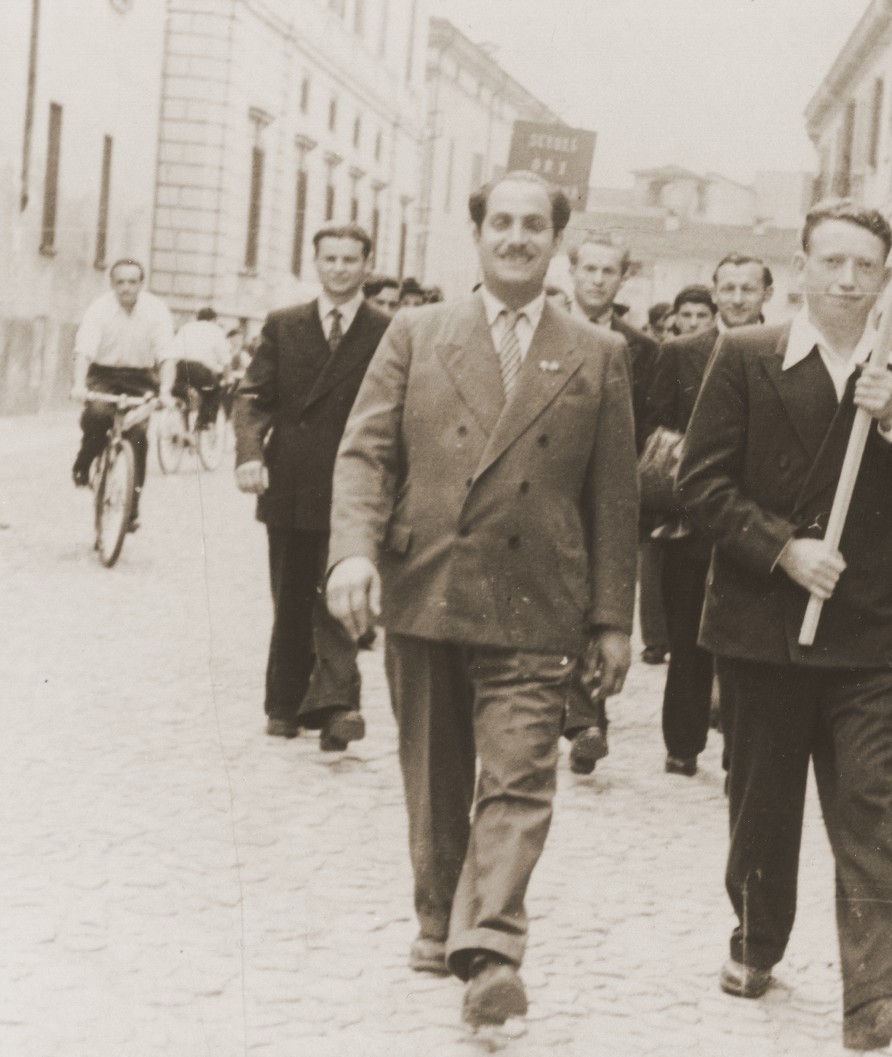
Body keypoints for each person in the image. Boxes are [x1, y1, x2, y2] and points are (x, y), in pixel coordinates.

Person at [325, 170, 637, 1029]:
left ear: (556, 240)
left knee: (521, 774)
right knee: (435, 771)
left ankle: (492, 946)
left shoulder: (597, 353)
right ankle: (439, 916)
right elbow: (365, 456)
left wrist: (614, 618)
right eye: (501, 221)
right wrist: (351, 553)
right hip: (428, 582)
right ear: (478, 234)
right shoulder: (416, 335)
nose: (516, 237)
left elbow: (615, 497)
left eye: (534, 224)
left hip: (540, 600)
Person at [677, 199, 892, 1052]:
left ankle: (879, 993)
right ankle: (757, 936)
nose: (847, 280)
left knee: (869, 804)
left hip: (875, 633)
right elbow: (699, 483)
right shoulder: (745, 355)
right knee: (762, 808)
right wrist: (783, 549)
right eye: (831, 262)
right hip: (766, 625)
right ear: (801, 267)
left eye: (865, 267)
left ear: (885, 278)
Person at [234, 222, 389, 750]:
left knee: (342, 594)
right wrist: (250, 454)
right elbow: (253, 398)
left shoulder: (388, 330)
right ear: (316, 263)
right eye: (331, 259)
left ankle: (338, 706)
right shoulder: (285, 324)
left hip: (355, 484)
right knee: (292, 593)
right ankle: (284, 702)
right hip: (292, 481)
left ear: (368, 265)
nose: (340, 268)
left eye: (351, 259)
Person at [639, 252, 775, 778]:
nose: (738, 298)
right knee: (688, 635)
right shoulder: (680, 353)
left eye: (749, 288)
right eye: (729, 288)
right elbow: (655, 424)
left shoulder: (784, 347)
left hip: (758, 520)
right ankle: (682, 743)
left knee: (747, 645)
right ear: (714, 294)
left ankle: (739, 749)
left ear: (767, 293)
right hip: (692, 519)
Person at [566, 230, 662, 768]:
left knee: (600, 604)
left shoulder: (642, 349)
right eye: (589, 269)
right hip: (549, 487)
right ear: (572, 272)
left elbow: (649, 424)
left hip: (608, 493)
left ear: (622, 280)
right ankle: (576, 716)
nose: (598, 280)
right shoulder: (542, 333)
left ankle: (588, 719)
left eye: (609, 271)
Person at [69, 259, 176, 532]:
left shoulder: (157, 311)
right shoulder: (99, 309)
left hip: (141, 378)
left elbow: (166, 356)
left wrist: (164, 390)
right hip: (103, 374)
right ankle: (83, 463)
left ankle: (131, 511)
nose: (126, 287)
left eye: (132, 281)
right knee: (97, 415)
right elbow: (84, 351)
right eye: (120, 282)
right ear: (112, 284)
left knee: (138, 437)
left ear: (141, 283)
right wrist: (79, 385)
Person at [170, 307, 229, 431]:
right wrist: (227, 379)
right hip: (200, 370)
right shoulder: (216, 329)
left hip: (179, 366)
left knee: (182, 392)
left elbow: (173, 350)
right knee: (215, 390)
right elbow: (225, 359)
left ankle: (184, 424)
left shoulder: (186, 327)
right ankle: (205, 423)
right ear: (214, 319)